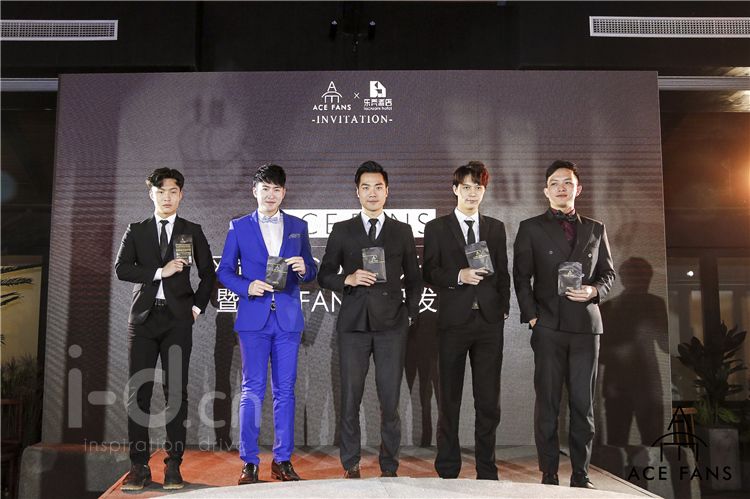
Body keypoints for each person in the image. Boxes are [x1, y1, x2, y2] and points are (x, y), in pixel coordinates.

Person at [513, 160, 616, 488]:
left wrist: (593, 290)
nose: (561, 188)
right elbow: (521, 277)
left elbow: (608, 273)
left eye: (568, 182)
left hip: (586, 327)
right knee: (548, 403)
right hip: (548, 326)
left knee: (583, 405)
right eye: (555, 183)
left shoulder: (596, 228)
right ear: (546, 190)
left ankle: (581, 474)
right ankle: (549, 474)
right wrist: (532, 317)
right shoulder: (530, 227)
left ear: (578, 189)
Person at [318, 161, 421, 478]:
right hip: (353, 326)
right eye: (366, 187)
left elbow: (414, 279)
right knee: (350, 398)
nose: (372, 193)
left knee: (390, 400)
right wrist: (347, 279)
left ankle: (389, 465)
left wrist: (410, 314)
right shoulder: (342, 230)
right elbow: (324, 274)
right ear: (357, 192)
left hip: (392, 326)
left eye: (378, 187)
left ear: (387, 191)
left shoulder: (402, 231)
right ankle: (351, 463)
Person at [115, 167, 216, 491]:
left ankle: (173, 464)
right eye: (161, 192)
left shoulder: (191, 230)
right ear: (151, 194)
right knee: (138, 394)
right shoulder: (137, 230)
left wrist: (197, 308)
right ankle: (139, 466)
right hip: (143, 321)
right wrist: (160, 271)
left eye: (173, 191)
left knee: (175, 393)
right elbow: (121, 269)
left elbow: (209, 274)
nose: (167, 197)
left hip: (177, 321)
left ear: (181, 195)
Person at [216, 164, 317, 485]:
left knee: (285, 391)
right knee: (252, 390)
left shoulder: (298, 226)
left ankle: (282, 460)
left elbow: (311, 270)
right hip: (253, 318)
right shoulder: (238, 227)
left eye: (276, 189)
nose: (270, 195)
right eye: (265, 188)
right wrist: (247, 286)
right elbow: (224, 271)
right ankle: (249, 462)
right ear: (254, 191)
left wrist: (305, 268)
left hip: (287, 319)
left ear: (283, 192)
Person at [422, 161, 510, 480]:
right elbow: (429, 271)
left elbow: (503, 272)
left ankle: (486, 468)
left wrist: (502, 309)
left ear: (484, 191)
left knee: (488, 401)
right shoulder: (437, 228)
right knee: (449, 399)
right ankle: (448, 467)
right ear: (455, 189)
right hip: (453, 323)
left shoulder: (495, 228)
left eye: (478, 187)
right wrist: (459, 275)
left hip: (488, 323)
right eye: (467, 187)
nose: (472, 193)